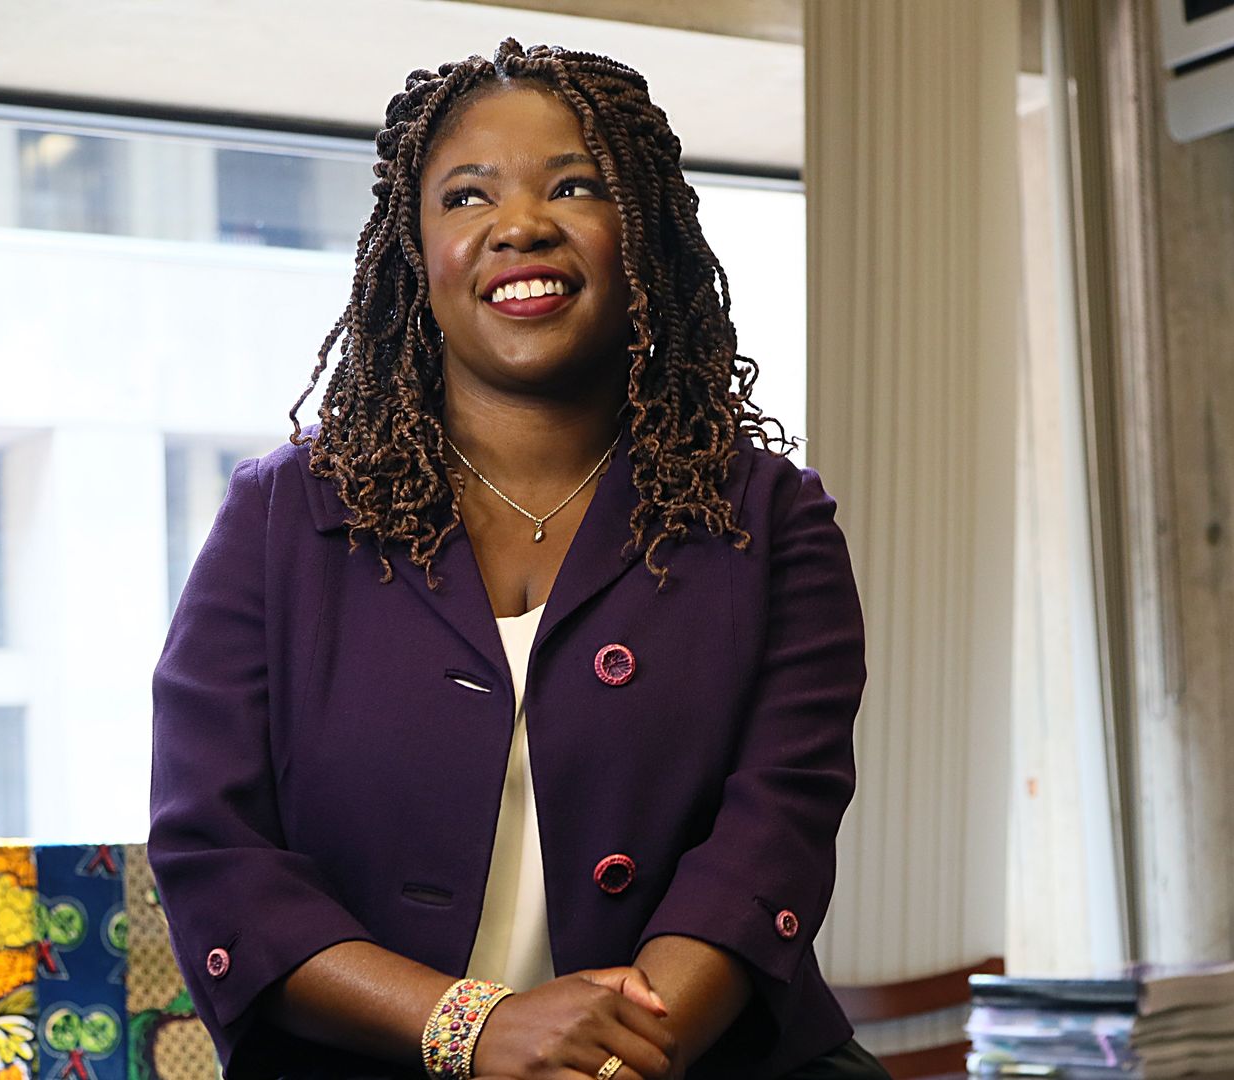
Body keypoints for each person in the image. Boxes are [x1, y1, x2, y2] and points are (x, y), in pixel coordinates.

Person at [148, 40, 885, 1080]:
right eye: (467, 196)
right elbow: (215, 857)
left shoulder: (769, 522)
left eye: (574, 186)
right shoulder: (280, 519)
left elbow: (772, 841)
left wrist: (616, 1060)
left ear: (643, 234)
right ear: (418, 255)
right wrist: (472, 1028)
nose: (520, 225)